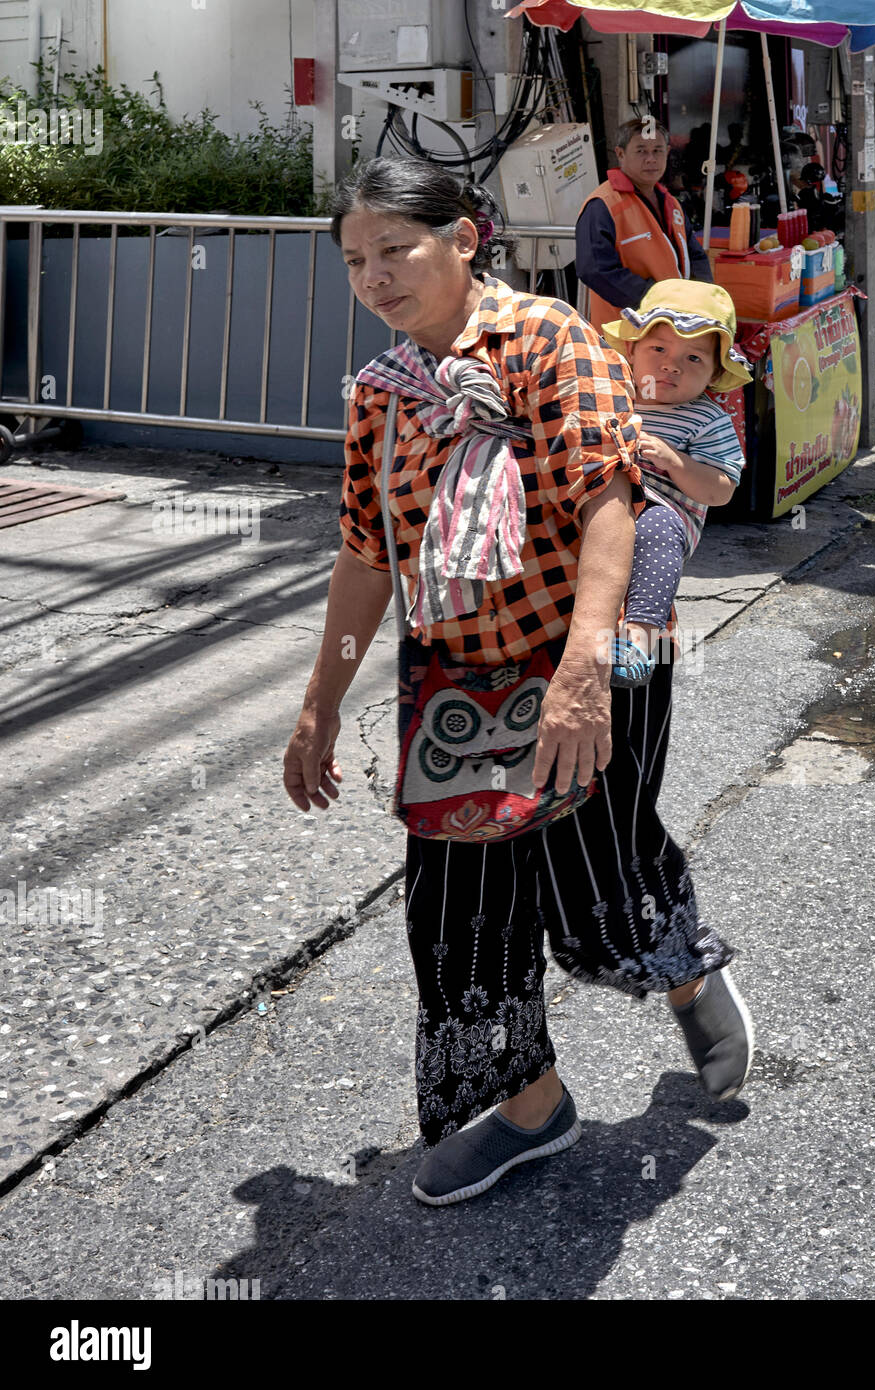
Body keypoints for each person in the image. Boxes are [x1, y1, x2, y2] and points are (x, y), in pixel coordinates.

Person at [284, 157, 753, 1208]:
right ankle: (529, 1104)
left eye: (395, 248)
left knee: (599, 867)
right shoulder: (382, 394)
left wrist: (586, 664)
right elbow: (366, 555)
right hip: (456, 678)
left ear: (464, 238)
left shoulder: (551, 340)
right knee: (453, 909)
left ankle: (681, 966)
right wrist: (321, 701)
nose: (375, 275)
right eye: (355, 259)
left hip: (590, 655)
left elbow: (608, 501)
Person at [597, 280, 753, 685]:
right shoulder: (609, 394)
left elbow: (721, 490)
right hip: (597, 503)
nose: (671, 365)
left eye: (693, 358)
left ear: (716, 372)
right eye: (659, 349)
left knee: (656, 529)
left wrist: (676, 462)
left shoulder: (707, 419)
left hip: (661, 513)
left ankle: (639, 639)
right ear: (631, 349)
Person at [575, 117, 713, 338]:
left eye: (657, 151)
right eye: (641, 151)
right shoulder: (602, 205)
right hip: (626, 335)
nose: (651, 159)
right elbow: (594, 269)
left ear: (667, 152)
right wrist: (655, 300)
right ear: (620, 154)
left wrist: (699, 300)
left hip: (677, 328)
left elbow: (695, 256)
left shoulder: (671, 202)